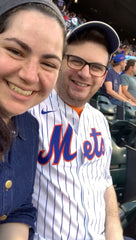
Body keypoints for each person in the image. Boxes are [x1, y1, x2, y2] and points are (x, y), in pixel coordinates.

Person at [29, 21, 128, 240]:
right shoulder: (28, 114)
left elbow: (104, 182)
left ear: (104, 76)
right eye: (76, 61)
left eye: (96, 67)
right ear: (60, 61)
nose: (85, 73)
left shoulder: (100, 121)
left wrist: (115, 234)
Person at [0, 0, 66, 239]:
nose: (29, 76)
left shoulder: (29, 126)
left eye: (48, 64)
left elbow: (18, 209)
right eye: (15, 51)